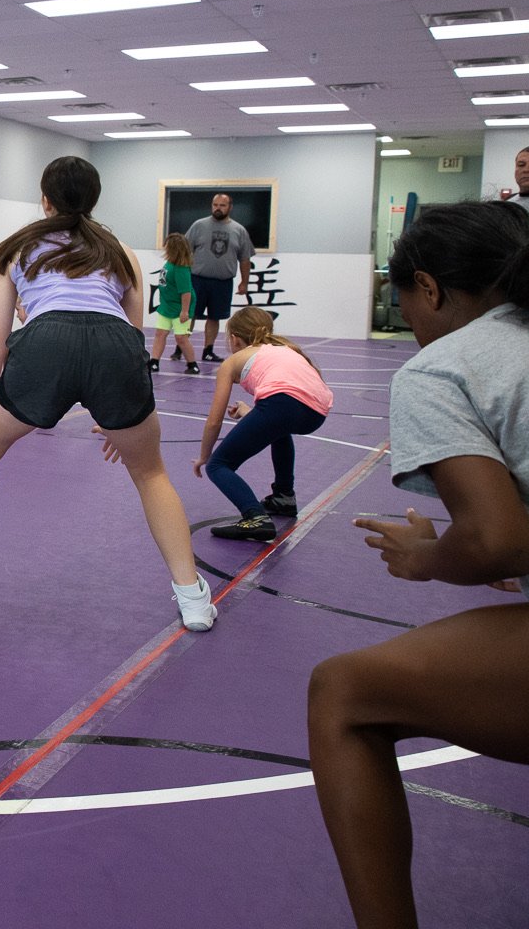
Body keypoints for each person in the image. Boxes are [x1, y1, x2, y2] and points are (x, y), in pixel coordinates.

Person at [307, 200, 529, 929]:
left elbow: (494, 540)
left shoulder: (444, 367)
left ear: (427, 290)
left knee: (343, 694)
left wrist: (430, 556)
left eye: (402, 304)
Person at [0, 156, 216, 632]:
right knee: (151, 473)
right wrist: (124, 412)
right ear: (94, 200)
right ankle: (193, 599)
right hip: (114, 350)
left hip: (47, 341)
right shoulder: (121, 252)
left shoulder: (18, 248)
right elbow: (132, 335)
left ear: (45, 198)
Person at [194, 307, 333, 542]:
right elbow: (290, 398)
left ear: (234, 339)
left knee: (219, 466)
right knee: (279, 431)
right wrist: (253, 413)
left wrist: (204, 456)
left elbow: (214, 420)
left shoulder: (232, 362)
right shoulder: (285, 348)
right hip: (317, 412)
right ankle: (283, 496)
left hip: (282, 405)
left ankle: (255, 516)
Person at [184, 193, 254, 363]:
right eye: (215, 204)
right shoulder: (198, 226)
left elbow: (245, 259)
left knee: (214, 317)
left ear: (230, 207)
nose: (218, 208)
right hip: (197, 279)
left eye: (222, 205)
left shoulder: (239, 230)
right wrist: (181, 277)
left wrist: (244, 282)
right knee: (190, 314)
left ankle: (208, 350)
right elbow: (184, 252)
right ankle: (182, 346)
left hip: (223, 282)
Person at [149, 233, 200, 374]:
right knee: (160, 333)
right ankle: (154, 361)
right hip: (167, 306)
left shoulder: (181, 269)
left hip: (178, 308)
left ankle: (192, 364)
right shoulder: (170, 264)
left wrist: (185, 311)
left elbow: (186, 292)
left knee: (181, 337)